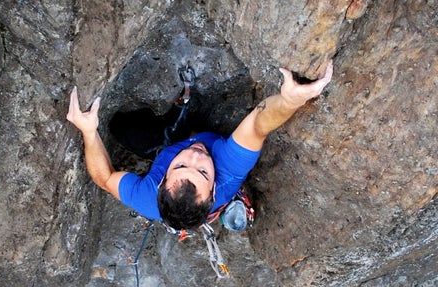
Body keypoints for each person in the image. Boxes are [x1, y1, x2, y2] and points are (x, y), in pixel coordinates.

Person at [67, 60, 333, 232]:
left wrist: (89, 132)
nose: (195, 156)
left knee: (119, 128)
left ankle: (182, 127)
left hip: (173, 143)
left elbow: (105, 179)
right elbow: (257, 125)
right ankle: (234, 203)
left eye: (181, 166)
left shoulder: (147, 198)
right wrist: (289, 102)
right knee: (182, 135)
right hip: (213, 149)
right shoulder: (228, 172)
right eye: (204, 172)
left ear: (161, 181)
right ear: (214, 189)